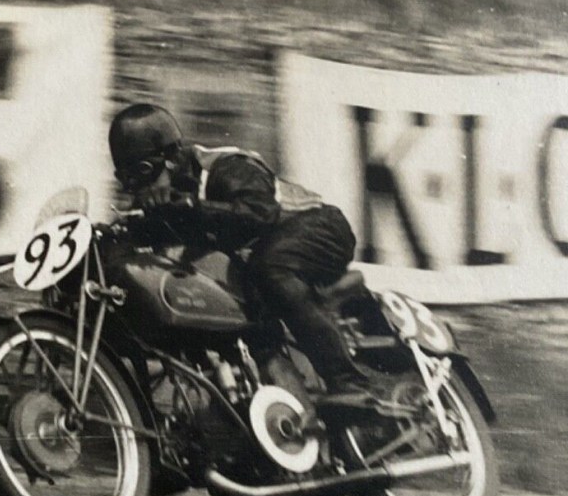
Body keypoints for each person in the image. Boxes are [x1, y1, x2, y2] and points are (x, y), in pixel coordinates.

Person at [108, 103, 371, 398]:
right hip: (263, 261)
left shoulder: (225, 166)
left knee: (271, 267)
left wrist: (193, 207)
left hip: (320, 226)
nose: (138, 188)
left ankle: (349, 382)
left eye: (143, 172)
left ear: (171, 157)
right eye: (126, 178)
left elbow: (260, 213)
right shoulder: (162, 201)